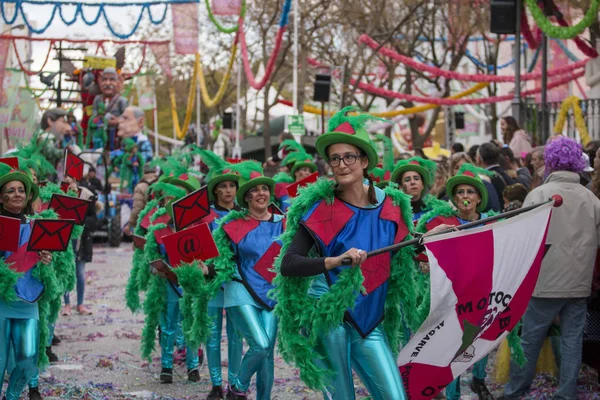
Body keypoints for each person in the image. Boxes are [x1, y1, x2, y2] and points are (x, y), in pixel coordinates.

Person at [276, 107, 418, 399]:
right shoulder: (322, 210)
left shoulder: (390, 205)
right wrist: (334, 261)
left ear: (365, 161)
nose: (342, 164)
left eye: (349, 157)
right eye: (335, 158)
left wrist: (433, 238)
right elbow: (288, 264)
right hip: (330, 319)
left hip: (370, 320)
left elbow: (405, 249)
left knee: (395, 396)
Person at [501, 137, 600, 400]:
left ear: (550, 162)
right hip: (579, 281)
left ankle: (516, 390)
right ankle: (567, 392)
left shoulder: (539, 194)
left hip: (543, 282)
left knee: (530, 340)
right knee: (572, 340)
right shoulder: (590, 198)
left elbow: (524, 239)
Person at [203, 161, 285, 400]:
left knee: (267, 352)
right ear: (247, 198)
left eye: (264, 189)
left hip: (272, 293)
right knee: (260, 344)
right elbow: (220, 261)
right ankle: (237, 387)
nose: (261, 194)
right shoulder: (233, 225)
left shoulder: (284, 222)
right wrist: (204, 269)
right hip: (241, 291)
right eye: (255, 190)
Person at [416, 163, 496, 400]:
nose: (464, 196)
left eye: (470, 192)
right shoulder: (442, 223)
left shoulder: (494, 222)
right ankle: (453, 393)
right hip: (452, 296)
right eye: (460, 192)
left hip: (483, 293)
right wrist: (427, 263)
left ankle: (479, 381)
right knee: (453, 344)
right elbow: (423, 255)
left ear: (479, 197)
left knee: (481, 340)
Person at [141, 171, 202, 384]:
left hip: (191, 281)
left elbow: (208, 253)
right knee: (167, 324)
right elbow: (150, 255)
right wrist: (154, 268)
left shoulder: (198, 224)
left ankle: (193, 367)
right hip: (168, 281)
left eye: (181, 195)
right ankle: (166, 366)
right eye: (171, 195)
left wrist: (203, 266)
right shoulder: (158, 226)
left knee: (191, 323)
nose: (175, 199)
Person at [193, 150, 244, 400]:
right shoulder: (204, 217)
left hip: (236, 283)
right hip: (211, 283)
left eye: (231, 186)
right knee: (212, 336)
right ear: (215, 191)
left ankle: (234, 384)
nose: (227, 190)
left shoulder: (244, 215)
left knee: (236, 337)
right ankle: (215, 384)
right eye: (222, 186)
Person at [0, 164, 53, 400]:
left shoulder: (36, 227)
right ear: (1, 198)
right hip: (1, 302)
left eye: (21, 190)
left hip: (27, 301)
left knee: (28, 358)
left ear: (27, 195)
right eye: (10, 190)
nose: (17, 194)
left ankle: (11, 397)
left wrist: (46, 260)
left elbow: (49, 273)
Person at [61, 175, 97, 317]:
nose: (69, 184)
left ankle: (80, 304)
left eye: (71, 181)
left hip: (81, 242)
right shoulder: (60, 195)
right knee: (66, 274)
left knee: (80, 274)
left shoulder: (87, 196)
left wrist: (79, 219)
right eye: (66, 182)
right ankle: (67, 304)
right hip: (66, 241)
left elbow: (93, 219)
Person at [391, 157, 446, 223]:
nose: (412, 182)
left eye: (416, 178)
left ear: (422, 185)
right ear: (401, 187)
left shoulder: (434, 211)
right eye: (407, 180)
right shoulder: (394, 212)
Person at [92, 67, 128, 151]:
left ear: (118, 82)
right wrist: (98, 120)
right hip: (100, 132)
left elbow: (126, 117)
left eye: (112, 80)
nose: (108, 83)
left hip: (116, 133)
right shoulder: (97, 99)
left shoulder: (121, 101)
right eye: (104, 80)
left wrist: (118, 121)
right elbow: (94, 114)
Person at [123, 164, 158, 237]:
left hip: (145, 225)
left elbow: (137, 209)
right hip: (160, 223)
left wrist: (129, 225)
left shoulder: (140, 187)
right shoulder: (161, 183)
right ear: (155, 171)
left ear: (143, 172)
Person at [36, 108, 72, 172]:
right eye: (63, 121)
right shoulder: (44, 138)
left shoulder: (52, 138)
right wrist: (63, 152)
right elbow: (50, 152)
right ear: (50, 121)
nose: (65, 126)